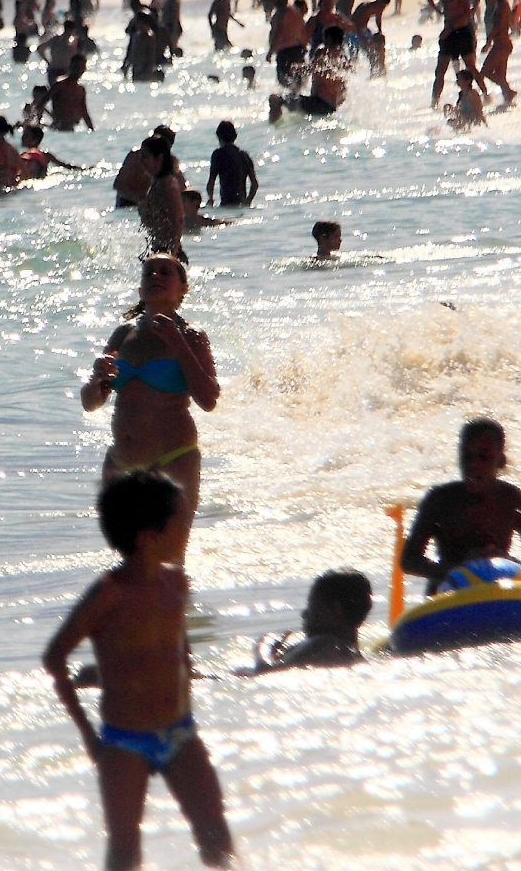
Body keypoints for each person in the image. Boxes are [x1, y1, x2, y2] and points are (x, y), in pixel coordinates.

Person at [42, 474, 234, 871]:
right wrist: (90, 737)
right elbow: (55, 658)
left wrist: (186, 684)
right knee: (125, 849)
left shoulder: (176, 584)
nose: (188, 527)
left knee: (216, 835)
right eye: (181, 521)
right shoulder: (109, 594)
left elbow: (178, 648)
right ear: (149, 537)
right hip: (124, 740)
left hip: (180, 732)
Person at [80, 256, 219, 563]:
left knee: (170, 563)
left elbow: (208, 399)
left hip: (174, 459)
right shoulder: (123, 334)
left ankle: (179, 611)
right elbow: (91, 403)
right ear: (141, 289)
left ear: (183, 289)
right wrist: (97, 378)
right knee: (131, 567)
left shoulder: (192, 335)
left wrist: (176, 341)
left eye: (166, 272)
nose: (155, 275)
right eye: (148, 272)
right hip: (122, 463)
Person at [401, 418, 521, 594]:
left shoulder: (511, 498)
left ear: (501, 461)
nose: (473, 465)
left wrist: (508, 563)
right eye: (466, 456)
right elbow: (409, 560)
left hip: (497, 589)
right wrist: (462, 568)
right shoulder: (440, 499)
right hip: (448, 593)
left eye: (483, 457)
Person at [244, 570, 371, 674]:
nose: (304, 614)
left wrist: (261, 649)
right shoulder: (356, 656)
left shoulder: (324, 643)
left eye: (312, 607)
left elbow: (265, 672)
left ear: (336, 610)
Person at [205, 122, 258, 207]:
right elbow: (254, 184)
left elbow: (211, 181)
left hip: (226, 205)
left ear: (218, 137)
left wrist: (210, 199)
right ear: (235, 136)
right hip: (241, 205)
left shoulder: (218, 155)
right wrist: (248, 201)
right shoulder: (244, 155)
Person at [52, 54, 95, 131]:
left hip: (73, 127)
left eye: (82, 67)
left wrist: (91, 129)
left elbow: (84, 112)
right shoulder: (59, 86)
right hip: (59, 127)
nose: (79, 70)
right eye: (77, 67)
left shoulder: (81, 89)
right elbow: (41, 104)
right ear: (70, 66)